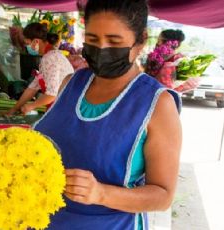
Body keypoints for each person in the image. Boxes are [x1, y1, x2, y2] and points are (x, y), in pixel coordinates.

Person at [34, 0, 182, 229]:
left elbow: (163, 195)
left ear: (140, 41)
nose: (101, 49)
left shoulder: (158, 104)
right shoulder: (70, 84)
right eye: (92, 40)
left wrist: (101, 194)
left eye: (114, 41)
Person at [6, 23, 74, 115]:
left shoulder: (50, 58)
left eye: (27, 44)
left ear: (36, 41)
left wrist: (32, 106)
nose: (27, 47)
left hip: (64, 109)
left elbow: (51, 95)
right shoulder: (51, 55)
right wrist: (14, 109)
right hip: (63, 106)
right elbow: (32, 88)